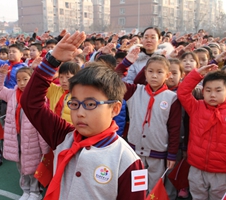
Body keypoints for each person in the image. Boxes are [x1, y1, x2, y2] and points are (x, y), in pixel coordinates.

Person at [21, 31, 146, 200]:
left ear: (115, 109)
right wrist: (52, 60)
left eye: (90, 104)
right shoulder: (64, 136)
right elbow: (31, 103)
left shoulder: (128, 161)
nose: (79, 113)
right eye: (74, 103)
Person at [177, 65, 226, 200]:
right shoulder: (196, 107)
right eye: (208, 90)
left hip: (221, 170)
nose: (212, 94)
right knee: (198, 196)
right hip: (196, 167)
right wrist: (197, 74)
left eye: (218, 90)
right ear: (203, 91)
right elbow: (182, 92)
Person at [123, 55, 181, 192]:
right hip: (135, 152)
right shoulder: (134, 91)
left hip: (158, 153)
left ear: (168, 75)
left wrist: (172, 154)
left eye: (159, 72)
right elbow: (111, 80)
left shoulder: (172, 98)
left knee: (155, 188)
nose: (154, 76)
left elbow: (174, 129)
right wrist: (126, 63)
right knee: (136, 187)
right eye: (150, 71)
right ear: (144, 73)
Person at [0, 65, 49, 200]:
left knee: (33, 166)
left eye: (25, 79)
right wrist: (0, 75)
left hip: (32, 140)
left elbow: (42, 123)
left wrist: (44, 147)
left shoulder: (38, 97)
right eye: (19, 80)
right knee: (21, 166)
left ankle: (35, 191)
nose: (22, 83)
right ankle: (26, 190)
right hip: (16, 138)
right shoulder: (12, 94)